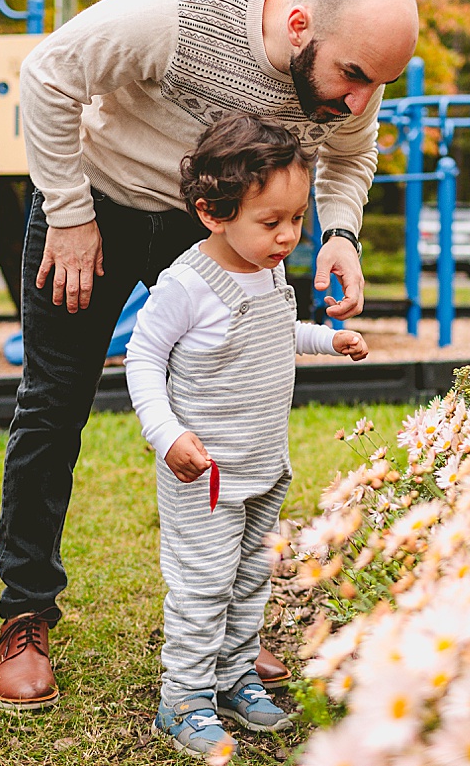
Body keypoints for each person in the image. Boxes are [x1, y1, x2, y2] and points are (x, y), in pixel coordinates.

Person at [0, 0, 418, 713]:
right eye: (352, 77)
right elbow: (48, 74)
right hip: (100, 204)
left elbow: (351, 156)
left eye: (377, 85)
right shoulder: (175, 11)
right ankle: (26, 614)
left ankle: (226, 629)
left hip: (223, 235)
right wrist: (69, 212)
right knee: (54, 403)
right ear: (298, 25)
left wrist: (342, 233)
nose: (359, 102)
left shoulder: (352, 80)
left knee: (237, 407)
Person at [127, 116, 368, 757]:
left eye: (296, 220)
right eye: (272, 222)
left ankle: (234, 678)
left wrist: (326, 338)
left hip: (264, 463)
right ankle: (183, 696)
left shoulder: (265, 268)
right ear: (213, 213)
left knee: (248, 579)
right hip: (203, 473)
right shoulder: (187, 283)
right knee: (203, 584)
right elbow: (142, 359)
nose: (289, 236)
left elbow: (274, 334)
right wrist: (166, 432)